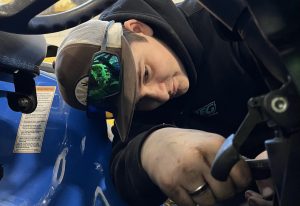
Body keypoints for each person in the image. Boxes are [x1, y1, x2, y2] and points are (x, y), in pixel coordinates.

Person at [55, 0, 275, 205]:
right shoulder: (145, 105)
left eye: (145, 74)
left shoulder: (228, 20)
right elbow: (122, 162)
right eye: (138, 101)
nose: (158, 96)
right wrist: (151, 148)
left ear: (138, 28)